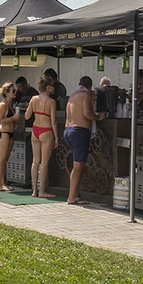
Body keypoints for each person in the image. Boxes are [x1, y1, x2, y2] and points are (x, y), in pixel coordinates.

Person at [64, 76, 105, 205]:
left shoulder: (73, 95)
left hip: (68, 130)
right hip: (79, 131)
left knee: (77, 166)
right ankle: (71, 197)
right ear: (90, 86)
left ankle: (74, 193)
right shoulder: (85, 95)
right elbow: (87, 113)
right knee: (78, 166)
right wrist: (98, 117)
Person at [26, 75, 58, 198]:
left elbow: (27, 116)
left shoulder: (33, 99)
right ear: (48, 87)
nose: (53, 89)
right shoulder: (51, 102)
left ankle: (34, 190)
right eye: (52, 87)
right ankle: (42, 191)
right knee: (44, 163)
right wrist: (56, 137)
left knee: (35, 161)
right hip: (46, 130)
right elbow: (53, 121)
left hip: (35, 129)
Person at [0, 83, 19, 192]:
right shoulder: (3, 105)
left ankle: (3, 182)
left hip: (10, 133)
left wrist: (15, 123)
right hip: (3, 133)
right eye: (13, 91)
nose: (15, 93)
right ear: (7, 93)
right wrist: (12, 119)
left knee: (5, 160)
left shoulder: (11, 104)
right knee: (1, 159)